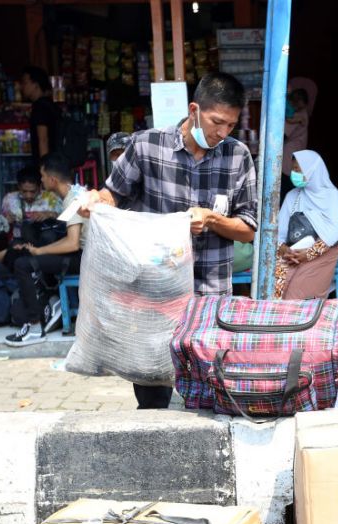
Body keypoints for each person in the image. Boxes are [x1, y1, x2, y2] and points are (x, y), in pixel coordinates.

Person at [80, 72, 257, 410]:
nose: (222, 133)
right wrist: (95, 202)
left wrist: (212, 218)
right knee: (152, 398)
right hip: (154, 295)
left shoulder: (237, 156)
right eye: (217, 121)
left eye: (231, 126)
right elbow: (112, 194)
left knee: (210, 398)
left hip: (209, 297)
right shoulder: (147, 145)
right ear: (194, 109)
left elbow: (248, 228)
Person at [4, 153, 85, 346]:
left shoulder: (72, 199)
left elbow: (72, 243)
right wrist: (40, 249)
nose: (41, 180)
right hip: (81, 254)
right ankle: (51, 301)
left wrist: (41, 252)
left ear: (52, 179)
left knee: (23, 265)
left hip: (83, 257)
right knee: (34, 249)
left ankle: (34, 327)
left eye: (42, 176)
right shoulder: (76, 192)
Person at [274, 150, 338, 300]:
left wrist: (309, 253)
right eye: (293, 170)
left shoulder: (331, 195)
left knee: (296, 294)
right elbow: (279, 233)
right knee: (276, 287)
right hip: (293, 252)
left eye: (299, 170)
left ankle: (296, 322)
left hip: (324, 250)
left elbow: (333, 233)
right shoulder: (292, 196)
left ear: (313, 171)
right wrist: (285, 250)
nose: (295, 174)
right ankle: (276, 321)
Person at [18, 66, 58, 162]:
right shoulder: (49, 104)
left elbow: (43, 139)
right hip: (56, 161)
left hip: (49, 163)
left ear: (36, 84)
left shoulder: (40, 107)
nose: (22, 86)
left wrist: (44, 168)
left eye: (25, 82)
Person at [282, 88, 310, 193]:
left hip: (289, 156)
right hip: (295, 155)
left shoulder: (299, 115)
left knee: (287, 188)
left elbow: (284, 134)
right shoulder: (303, 113)